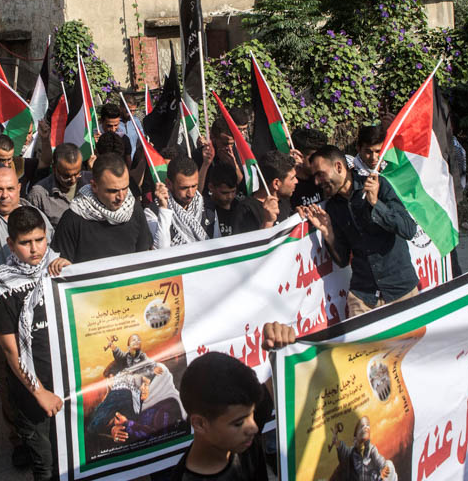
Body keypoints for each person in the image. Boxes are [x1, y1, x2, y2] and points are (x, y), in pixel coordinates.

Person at [0, 207, 71, 480]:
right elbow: (11, 350)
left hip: (68, 383)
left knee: (71, 459)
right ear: (11, 244)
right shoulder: (1, 288)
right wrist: (39, 392)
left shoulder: (61, 270)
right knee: (45, 463)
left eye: (39, 240)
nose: (34, 249)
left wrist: (73, 273)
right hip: (31, 393)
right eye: (25, 242)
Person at [304, 146, 419, 317]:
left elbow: (408, 229)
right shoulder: (333, 208)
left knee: (411, 343)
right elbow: (342, 261)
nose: (317, 182)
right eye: (314, 176)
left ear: (338, 167)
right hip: (362, 297)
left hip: (401, 289)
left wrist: (376, 204)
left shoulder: (378, 186)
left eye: (320, 174)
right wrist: (328, 232)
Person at [172, 323, 296, 481]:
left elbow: (280, 378)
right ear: (200, 424)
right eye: (238, 423)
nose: (254, 427)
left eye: (252, 414)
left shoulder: (241, 425)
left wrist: (283, 349)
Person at [53, 152, 153, 263]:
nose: (121, 197)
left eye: (125, 188)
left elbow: (144, 256)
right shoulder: (72, 219)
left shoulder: (135, 211)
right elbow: (60, 267)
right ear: (94, 186)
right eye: (113, 191)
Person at [148, 154, 217, 248]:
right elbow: (161, 250)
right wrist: (164, 209)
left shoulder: (208, 207)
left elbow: (218, 244)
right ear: (169, 183)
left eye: (194, 186)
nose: (191, 194)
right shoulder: (153, 211)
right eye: (184, 188)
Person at [27, 142, 89, 226]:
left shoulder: (90, 183)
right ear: (54, 168)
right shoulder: (39, 194)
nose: (73, 180)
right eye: (66, 176)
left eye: (77, 173)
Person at [289, 127, 327, 208]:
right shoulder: (288, 185)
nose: (321, 162)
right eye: (315, 157)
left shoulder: (323, 179)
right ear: (298, 155)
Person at [259, 150, 298, 222]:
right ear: (276, 183)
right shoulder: (246, 210)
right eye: (292, 178)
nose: (296, 181)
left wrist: (296, 217)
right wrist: (268, 222)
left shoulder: (284, 200)